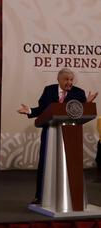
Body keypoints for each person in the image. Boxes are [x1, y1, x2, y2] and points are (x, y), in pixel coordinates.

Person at [18, 68, 98, 204]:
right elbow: (43, 110)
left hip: (71, 134)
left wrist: (87, 104)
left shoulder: (79, 93)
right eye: (66, 79)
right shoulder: (49, 90)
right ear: (58, 79)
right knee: (45, 163)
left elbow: (80, 112)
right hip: (50, 132)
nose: (69, 82)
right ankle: (40, 196)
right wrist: (30, 110)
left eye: (71, 79)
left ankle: (72, 198)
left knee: (71, 164)